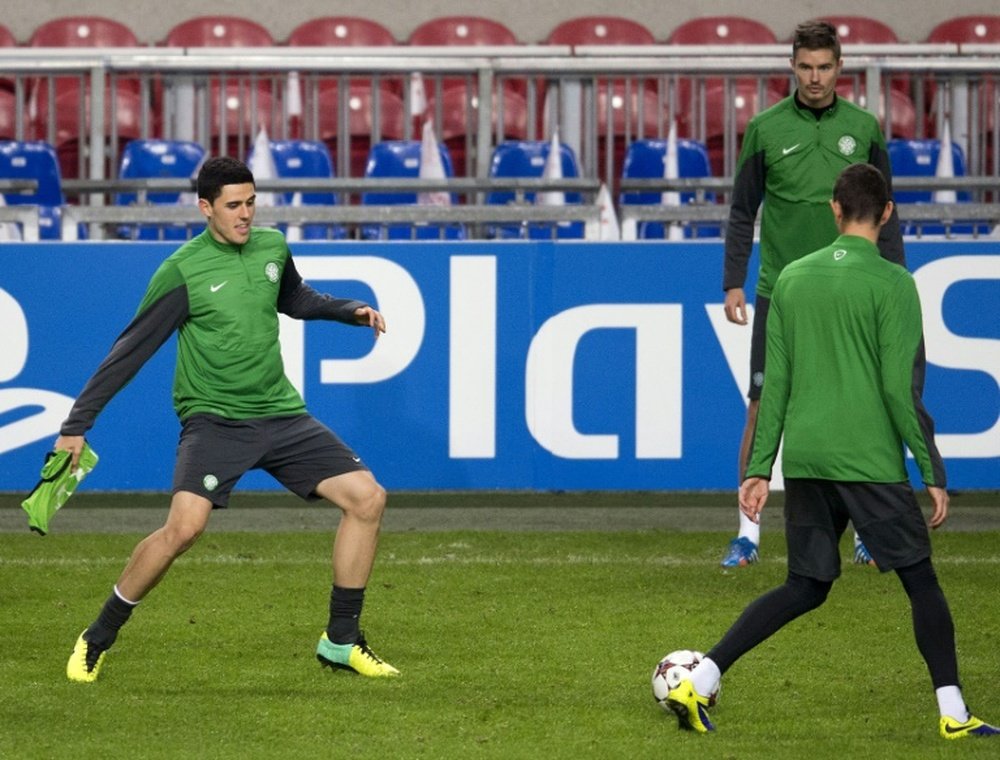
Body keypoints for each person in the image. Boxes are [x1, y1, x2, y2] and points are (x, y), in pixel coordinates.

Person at [665, 163, 998, 740]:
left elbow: (776, 387)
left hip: (809, 458)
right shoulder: (895, 283)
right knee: (921, 581)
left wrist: (758, 469)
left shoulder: (791, 278)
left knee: (806, 585)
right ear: (888, 213)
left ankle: (704, 673)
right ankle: (953, 714)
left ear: (834, 210)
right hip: (868, 460)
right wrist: (931, 469)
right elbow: (900, 388)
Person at [59, 156, 399, 682]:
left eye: (251, 203)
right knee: (183, 530)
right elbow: (130, 350)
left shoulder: (271, 247)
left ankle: (341, 640)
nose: (246, 215)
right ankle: (97, 636)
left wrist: (345, 309)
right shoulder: (182, 269)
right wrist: (76, 424)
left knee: (368, 498)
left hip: (281, 413)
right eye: (234, 206)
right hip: (215, 421)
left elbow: (292, 297)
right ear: (205, 208)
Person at [720, 19, 905, 568]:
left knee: (871, 404)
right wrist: (733, 279)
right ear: (792, 67)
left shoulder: (864, 127)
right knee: (760, 407)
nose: (815, 77)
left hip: (855, 293)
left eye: (825, 67)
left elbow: (886, 212)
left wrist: (894, 278)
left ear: (839, 68)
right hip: (782, 293)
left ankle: (868, 529)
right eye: (806, 67)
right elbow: (741, 210)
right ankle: (746, 534)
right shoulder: (764, 129)